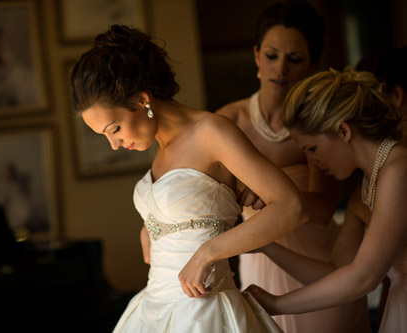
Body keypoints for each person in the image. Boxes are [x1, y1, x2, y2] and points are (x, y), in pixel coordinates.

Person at [70, 24, 309, 332]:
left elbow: (292, 207)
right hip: (153, 308)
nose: (114, 144)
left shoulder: (211, 131)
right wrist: (152, 225)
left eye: (113, 129)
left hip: (203, 312)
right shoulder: (160, 152)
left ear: (142, 100)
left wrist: (208, 253)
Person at [216, 1, 369, 331]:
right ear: (257, 56)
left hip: (316, 261)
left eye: (294, 59)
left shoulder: (318, 126)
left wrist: (271, 196)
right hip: (258, 261)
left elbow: (325, 209)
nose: (281, 68)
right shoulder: (228, 122)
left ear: (312, 65)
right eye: (271, 56)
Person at [247, 67, 407, 333]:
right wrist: (267, 246)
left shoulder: (399, 171)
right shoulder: (360, 197)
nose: (313, 163)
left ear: (343, 131)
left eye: (312, 149)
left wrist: (276, 304)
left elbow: (363, 278)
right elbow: (336, 271)